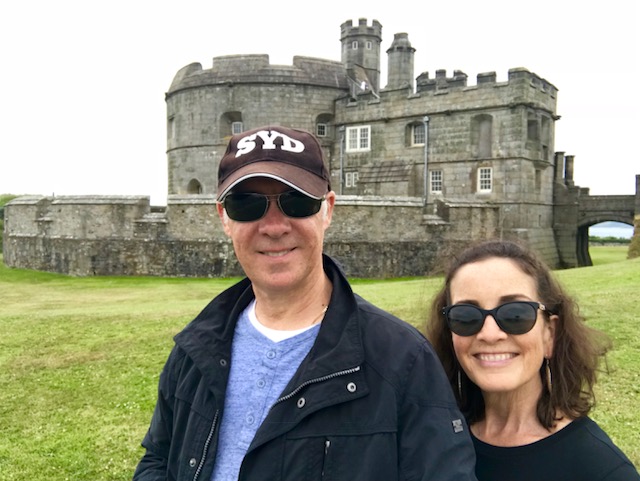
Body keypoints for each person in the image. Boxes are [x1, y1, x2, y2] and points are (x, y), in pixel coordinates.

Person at [133, 125, 478, 481]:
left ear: (328, 210)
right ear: (224, 216)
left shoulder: (403, 359)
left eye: (297, 201)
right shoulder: (195, 347)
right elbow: (158, 460)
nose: (274, 226)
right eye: (247, 204)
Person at [425, 239, 639, 481]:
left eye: (516, 314)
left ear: (550, 333)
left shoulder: (602, 470)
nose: (490, 334)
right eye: (465, 317)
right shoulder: (434, 442)